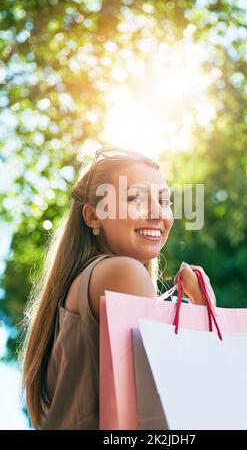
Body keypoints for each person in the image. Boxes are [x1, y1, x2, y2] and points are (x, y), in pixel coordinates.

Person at [19, 147, 213, 430]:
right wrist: (204, 314)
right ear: (92, 216)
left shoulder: (78, 285)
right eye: (135, 198)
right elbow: (167, 406)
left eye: (163, 201)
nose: (157, 214)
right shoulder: (123, 273)